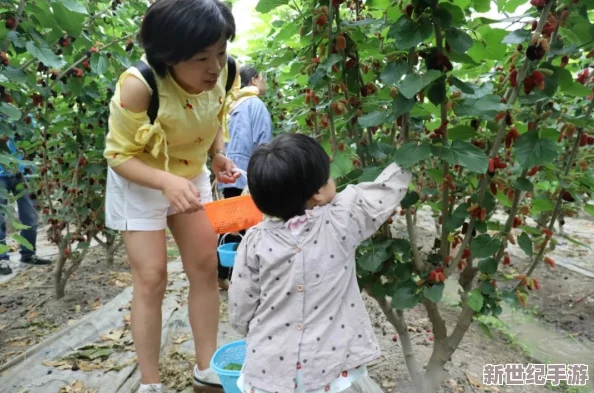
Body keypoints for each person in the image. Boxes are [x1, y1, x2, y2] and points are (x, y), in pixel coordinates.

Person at [102, 0, 241, 392]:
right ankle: (150, 383)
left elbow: (215, 113)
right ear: (169, 56)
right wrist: (164, 183)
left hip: (188, 173)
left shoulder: (225, 72)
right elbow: (117, 155)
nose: (214, 67)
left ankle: (206, 366)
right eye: (200, 58)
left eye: (220, 52)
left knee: (204, 269)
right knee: (152, 279)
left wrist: (216, 155)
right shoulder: (139, 85)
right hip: (140, 178)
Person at [228, 134, 412, 393]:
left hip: (269, 366)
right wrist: (409, 158)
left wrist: (247, 329)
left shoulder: (254, 241)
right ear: (318, 192)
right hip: (326, 362)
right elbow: (384, 193)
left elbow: (241, 302)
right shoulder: (341, 219)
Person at [216, 65, 272, 290]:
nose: (264, 82)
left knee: (231, 225)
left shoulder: (230, 104)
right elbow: (263, 143)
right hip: (249, 174)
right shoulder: (255, 104)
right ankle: (246, 281)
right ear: (254, 80)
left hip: (228, 173)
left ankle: (222, 275)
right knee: (250, 230)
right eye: (263, 77)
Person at [0, 136, 51, 276]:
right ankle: (1, 259)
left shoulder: (20, 114)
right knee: (0, 220)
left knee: (30, 216)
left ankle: (28, 254)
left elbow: (29, 131)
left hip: (22, 171)